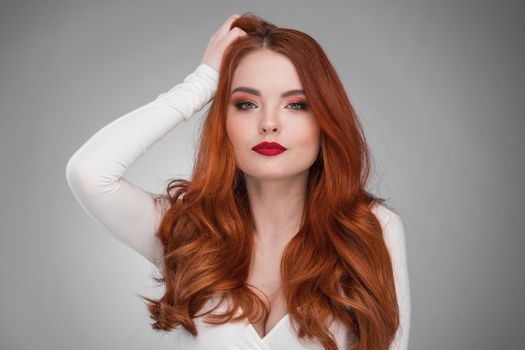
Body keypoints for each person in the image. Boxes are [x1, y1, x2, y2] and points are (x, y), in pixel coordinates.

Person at [65, 12, 410, 350]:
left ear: (325, 119)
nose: (269, 123)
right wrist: (198, 85)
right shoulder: (187, 234)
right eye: (246, 104)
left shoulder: (371, 229)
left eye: (296, 105)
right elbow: (90, 172)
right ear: (222, 120)